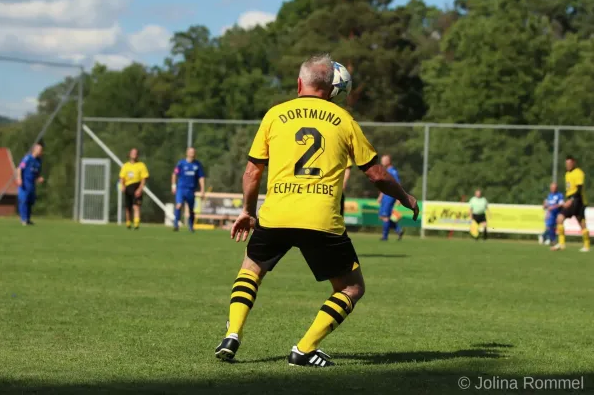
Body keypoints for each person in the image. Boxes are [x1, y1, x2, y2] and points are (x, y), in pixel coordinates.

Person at [214, 54, 419, 367]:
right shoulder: (345, 120)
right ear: (333, 89)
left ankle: (233, 334)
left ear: (300, 83)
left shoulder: (275, 115)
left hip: (277, 212)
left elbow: (252, 172)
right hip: (320, 217)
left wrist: (246, 210)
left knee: (251, 269)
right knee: (351, 287)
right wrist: (404, 196)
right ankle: (304, 349)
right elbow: (376, 174)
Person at [551, 156, 590, 252]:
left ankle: (586, 245)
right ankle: (562, 244)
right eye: (566, 164)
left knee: (580, 223)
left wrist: (571, 200)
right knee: (560, 218)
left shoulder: (578, 173)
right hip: (571, 199)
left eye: (569, 163)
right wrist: (568, 199)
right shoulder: (567, 174)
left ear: (573, 163)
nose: (567, 165)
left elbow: (579, 190)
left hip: (578, 200)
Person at [171, 147, 206, 232]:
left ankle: (191, 226)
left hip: (191, 190)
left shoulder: (197, 165)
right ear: (187, 153)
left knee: (191, 209)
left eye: (193, 152)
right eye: (190, 152)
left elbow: (201, 178)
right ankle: (176, 224)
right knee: (179, 205)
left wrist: (202, 190)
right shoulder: (181, 163)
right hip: (181, 188)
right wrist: (173, 185)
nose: (192, 154)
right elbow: (174, 174)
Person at [119, 148, 149, 230]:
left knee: (136, 206)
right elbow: (122, 177)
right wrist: (122, 186)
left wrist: (140, 188)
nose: (134, 154)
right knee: (128, 207)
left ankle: (136, 224)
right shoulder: (125, 166)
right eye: (132, 153)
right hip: (128, 186)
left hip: (136, 186)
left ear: (137, 155)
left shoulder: (141, 165)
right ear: (129, 154)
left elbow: (144, 178)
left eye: (135, 153)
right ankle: (128, 223)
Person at [377, 155, 404, 240]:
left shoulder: (393, 171)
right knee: (382, 216)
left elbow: (398, 184)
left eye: (384, 160)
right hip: (385, 196)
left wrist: (399, 197)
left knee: (385, 216)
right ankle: (398, 230)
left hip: (390, 196)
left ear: (388, 161)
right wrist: (380, 196)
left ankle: (385, 237)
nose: (382, 162)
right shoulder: (386, 171)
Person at [16, 143, 44, 226]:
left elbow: (36, 173)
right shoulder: (27, 158)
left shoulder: (39, 161)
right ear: (35, 150)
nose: (41, 151)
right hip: (24, 184)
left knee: (30, 201)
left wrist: (39, 178)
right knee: (24, 200)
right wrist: (19, 178)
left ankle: (28, 219)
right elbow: (19, 168)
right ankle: (23, 220)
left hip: (32, 185)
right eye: (40, 150)